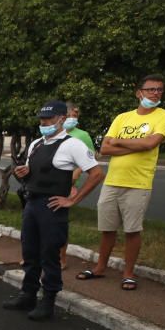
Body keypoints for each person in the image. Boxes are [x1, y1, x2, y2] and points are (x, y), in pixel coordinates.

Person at [2, 101, 104, 321]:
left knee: (50, 255)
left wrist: (73, 199)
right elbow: (35, 173)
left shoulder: (72, 144)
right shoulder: (36, 144)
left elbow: (96, 174)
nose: (44, 123)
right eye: (41, 120)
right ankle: (27, 294)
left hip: (52, 207)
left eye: (48, 119)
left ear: (61, 119)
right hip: (31, 203)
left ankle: (48, 300)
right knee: (29, 252)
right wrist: (25, 172)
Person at [76, 75, 165, 291]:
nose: (155, 93)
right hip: (113, 181)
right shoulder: (122, 118)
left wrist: (119, 141)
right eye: (151, 89)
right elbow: (105, 149)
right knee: (107, 228)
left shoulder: (164, 115)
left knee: (132, 230)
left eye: (159, 90)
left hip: (138, 182)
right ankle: (100, 267)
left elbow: (150, 143)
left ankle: (128, 273)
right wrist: (134, 144)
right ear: (139, 92)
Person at [58, 102, 96, 270]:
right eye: (70, 115)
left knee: (59, 222)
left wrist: (78, 171)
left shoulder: (82, 135)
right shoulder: (54, 132)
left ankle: (61, 258)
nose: (73, 119)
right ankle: (33, 256)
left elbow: (91, 158)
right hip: (46, 183)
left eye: (76, 116)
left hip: (67, 184)